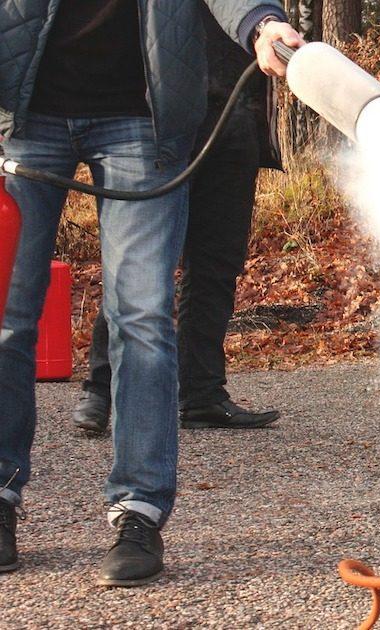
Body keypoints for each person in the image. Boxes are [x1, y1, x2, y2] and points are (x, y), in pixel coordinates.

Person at [0, 0, 303, 586]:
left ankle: (138, 511)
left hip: (143, 121)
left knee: (141, 315)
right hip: (25, 117)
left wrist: (263, 23)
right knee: (9, 317)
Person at [72, 7, 284, 435]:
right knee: (139, 260)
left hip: (235, 116)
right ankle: (101, 390)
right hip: (159, 122)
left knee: (217, 265)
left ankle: (202, 394)